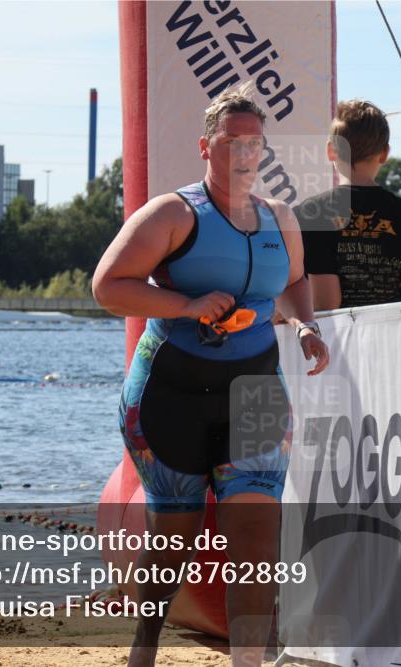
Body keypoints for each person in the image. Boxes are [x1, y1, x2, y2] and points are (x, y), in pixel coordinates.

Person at [92, 82, 329, 667]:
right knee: (175, 538)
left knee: (255, 532)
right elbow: (107, 287)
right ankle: (144, 647)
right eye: (232, 142)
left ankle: (248, 662)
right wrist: (187, 306)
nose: (245, 153)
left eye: (255, 143)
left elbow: (296, 283)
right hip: (170, 389)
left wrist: (303, 325)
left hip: (253, 388)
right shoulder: (174, 213)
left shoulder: (281, 219)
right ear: (206, 146)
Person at [293, 99, 401, 310]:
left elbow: (326, 303)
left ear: (331, 151)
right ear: (384, 153)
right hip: (395, 339)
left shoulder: (312, 213)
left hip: (333, 342)